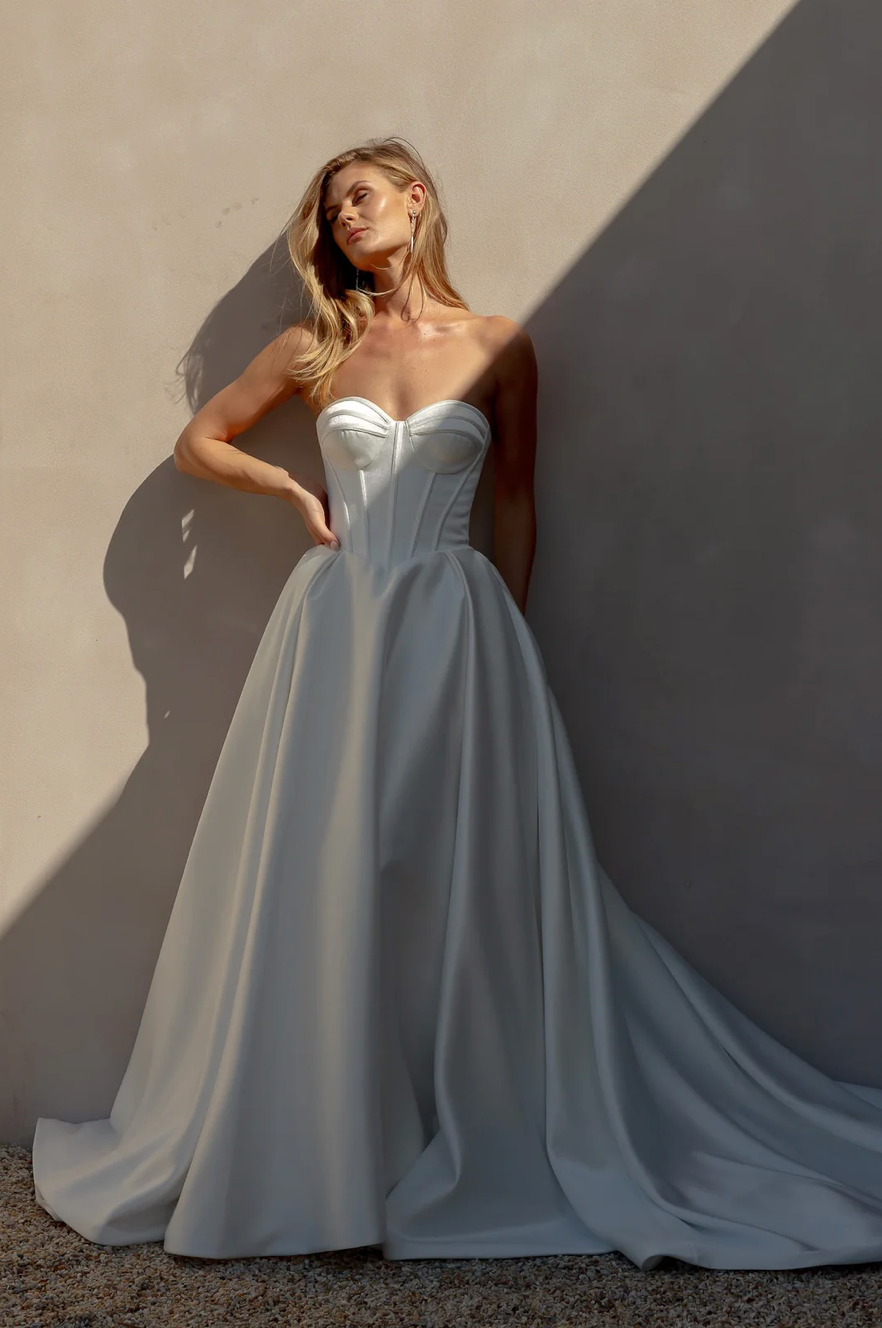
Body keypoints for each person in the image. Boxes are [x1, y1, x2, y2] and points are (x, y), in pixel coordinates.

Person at [31, 137, 882, 1272]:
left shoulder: (498, 346)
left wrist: (507, 636)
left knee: (459, 873)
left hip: (458, 627)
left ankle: (468, 1123)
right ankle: (330, 1146)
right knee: (330, 865)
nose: (345, 220)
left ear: (418, 200)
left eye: (362, 198)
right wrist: (285, 485)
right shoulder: (315, 344)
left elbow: (518, 499)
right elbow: (200, 442)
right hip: (337, 627)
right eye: (332, 211)